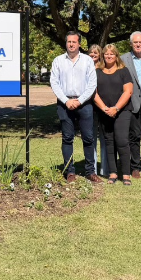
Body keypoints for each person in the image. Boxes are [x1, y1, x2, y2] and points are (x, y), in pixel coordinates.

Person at [49, 31, 99, 183]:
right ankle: (70, 172)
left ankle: (91, 171)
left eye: (74, 42)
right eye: (69, 41)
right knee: (67, 138)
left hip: (84, 104)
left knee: (89, 138)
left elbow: (92, 84)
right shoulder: (58, 61)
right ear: (66, 43)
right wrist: (66, 101)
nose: (71, 44)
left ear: (79, 44)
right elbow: (54, 83)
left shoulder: (87, 61)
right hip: (65, 104)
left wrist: (80, 100)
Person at [93, 44, 134, 185]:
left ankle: (126, 174)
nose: (109, 56)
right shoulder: (97, 71)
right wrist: (105, 108)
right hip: (104, 111)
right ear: (103, 56)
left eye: (112, 54)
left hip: (122, 111)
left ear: (116, 56)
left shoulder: (124, 71)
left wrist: (115, 108)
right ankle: (113, 173)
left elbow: (128, 91)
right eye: (106, 54)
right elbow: (94, 93)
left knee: (122, 141)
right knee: (109, 142)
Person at [120, 32, 141, 177]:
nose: (138, 45)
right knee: (134, 135)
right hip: (133, 102)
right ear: (131, 44)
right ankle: (135, 166)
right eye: (135, 42)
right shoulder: (123, 59)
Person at [88, 44, 108, 177]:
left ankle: (105, 169)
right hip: (89, 106)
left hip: (103, 105)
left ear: (100, 54)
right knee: (91, 138)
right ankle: (93, 169)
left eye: (96, 53)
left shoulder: (104, 68)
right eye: (91, 53)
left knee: (105, 138)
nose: (93, 55)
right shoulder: (85, 67)